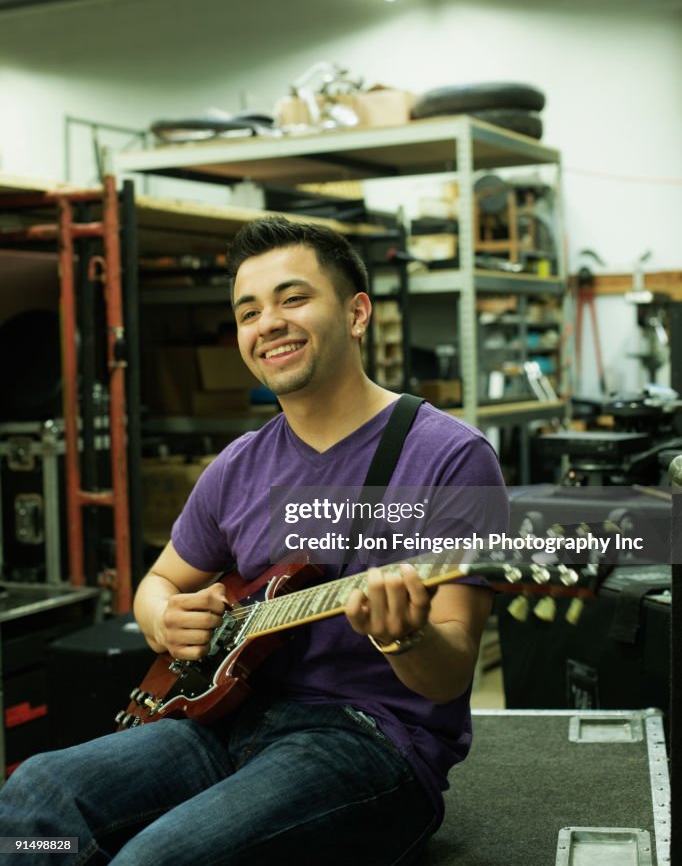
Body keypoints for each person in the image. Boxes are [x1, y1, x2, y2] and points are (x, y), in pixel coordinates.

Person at [0, 215, 506, 866]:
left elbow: (449, 674)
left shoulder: (449, 456)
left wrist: (404, 635)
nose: (268, 322)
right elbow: (157, 585)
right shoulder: (238, 465)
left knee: (157, 858)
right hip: (225, 718)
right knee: (33, 803)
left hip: (369, 742)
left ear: (357, 315)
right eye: (248, 311)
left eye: (293, 298)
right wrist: (163, 619)